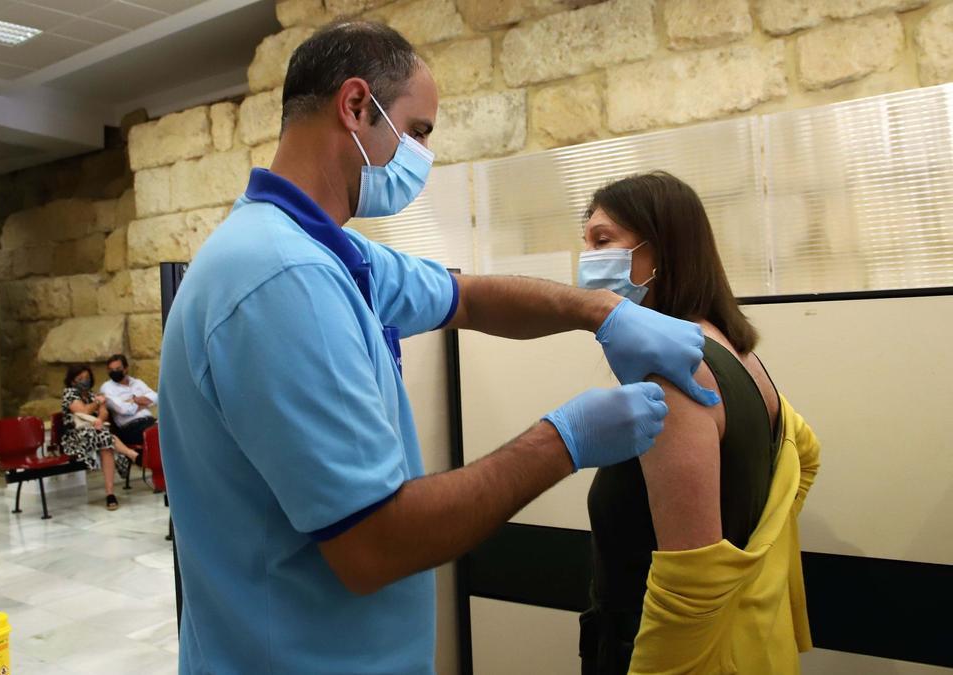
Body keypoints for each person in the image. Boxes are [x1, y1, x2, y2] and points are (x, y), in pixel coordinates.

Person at [158, 21, 718, 674]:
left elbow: (469, 296)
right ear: (357, 106)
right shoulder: (280, 278)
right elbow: (375, 545)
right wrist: (564, 438)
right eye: (418, 131)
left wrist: (602, 311)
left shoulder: (330, 253)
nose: (422, 153)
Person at [577, 171, 822, 674]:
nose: (586, 262)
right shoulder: (741, 356)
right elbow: (806, 456)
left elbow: (692, 583)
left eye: (603, 241)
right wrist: (755, 567)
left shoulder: (676, 377)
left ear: (660, 252)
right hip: (746, 644)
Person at [60, 364, 142, 511]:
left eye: (87, 377)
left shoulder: (91, 395)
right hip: (75, 437)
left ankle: (110, 494)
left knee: (105, 444)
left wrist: (99, 416)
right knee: (104, 437)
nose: (84, 380)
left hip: (95, 433)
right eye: (80, 378)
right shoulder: (69, 393)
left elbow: (104, 415)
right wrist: (98, 402)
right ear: (72, 381)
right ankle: (132, 455)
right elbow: (83, 411)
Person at [99, 354, 158, 449]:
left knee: (173, 428)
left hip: (150, 421)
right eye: (111, 369)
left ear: (126, 369)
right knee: (159, 434)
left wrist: (133, 400)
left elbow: (156, 397)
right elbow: (124, 410)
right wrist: (145, 403)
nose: (114, 372)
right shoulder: (107, 388)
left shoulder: (137, 382)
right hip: (130, 428)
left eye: (118, 369)